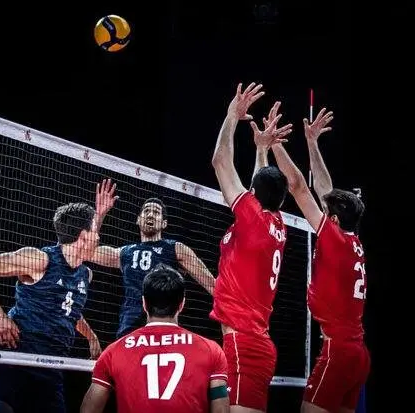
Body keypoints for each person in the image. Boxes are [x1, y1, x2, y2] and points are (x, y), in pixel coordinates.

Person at [0, 179, 118, 413]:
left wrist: (91, 337)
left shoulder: (84, 274)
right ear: (82, 236)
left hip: (51, 368)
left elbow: (69, 310)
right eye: (94, 230)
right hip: (15, 359)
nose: (99, 236)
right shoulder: (39, 260)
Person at [266, 108, 370, 413]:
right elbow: (326, 191)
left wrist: (275, 144)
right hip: (358, 353)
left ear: (333, 219)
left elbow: (299, 186)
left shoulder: (334, 239)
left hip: (338, 351)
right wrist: (312, 143)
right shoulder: (352, 240)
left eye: (328, 213)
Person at [209, 84, 292, 413]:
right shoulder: (276, 222)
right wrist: (261, 149)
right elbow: (262, 184)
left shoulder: (254, 219)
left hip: (245, 344)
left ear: (254, 194)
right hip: (249, 341)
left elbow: (220, 161)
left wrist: (232, 114)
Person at [80, 263, 230, 413]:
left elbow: (89, 410)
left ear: (144, 303)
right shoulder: (211, 350)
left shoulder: (113, 352)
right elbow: (221, 410)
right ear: (181, 304)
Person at [90, 197, 216, 338]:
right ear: (138, 220)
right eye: (146, 211)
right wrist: (99, 215)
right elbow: (89, 252)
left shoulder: (176, 248)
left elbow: (212, 285)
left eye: (156, 212)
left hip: (164, 327)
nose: (150, 215)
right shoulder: (125, 253)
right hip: (130, 329)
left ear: (164, 223)